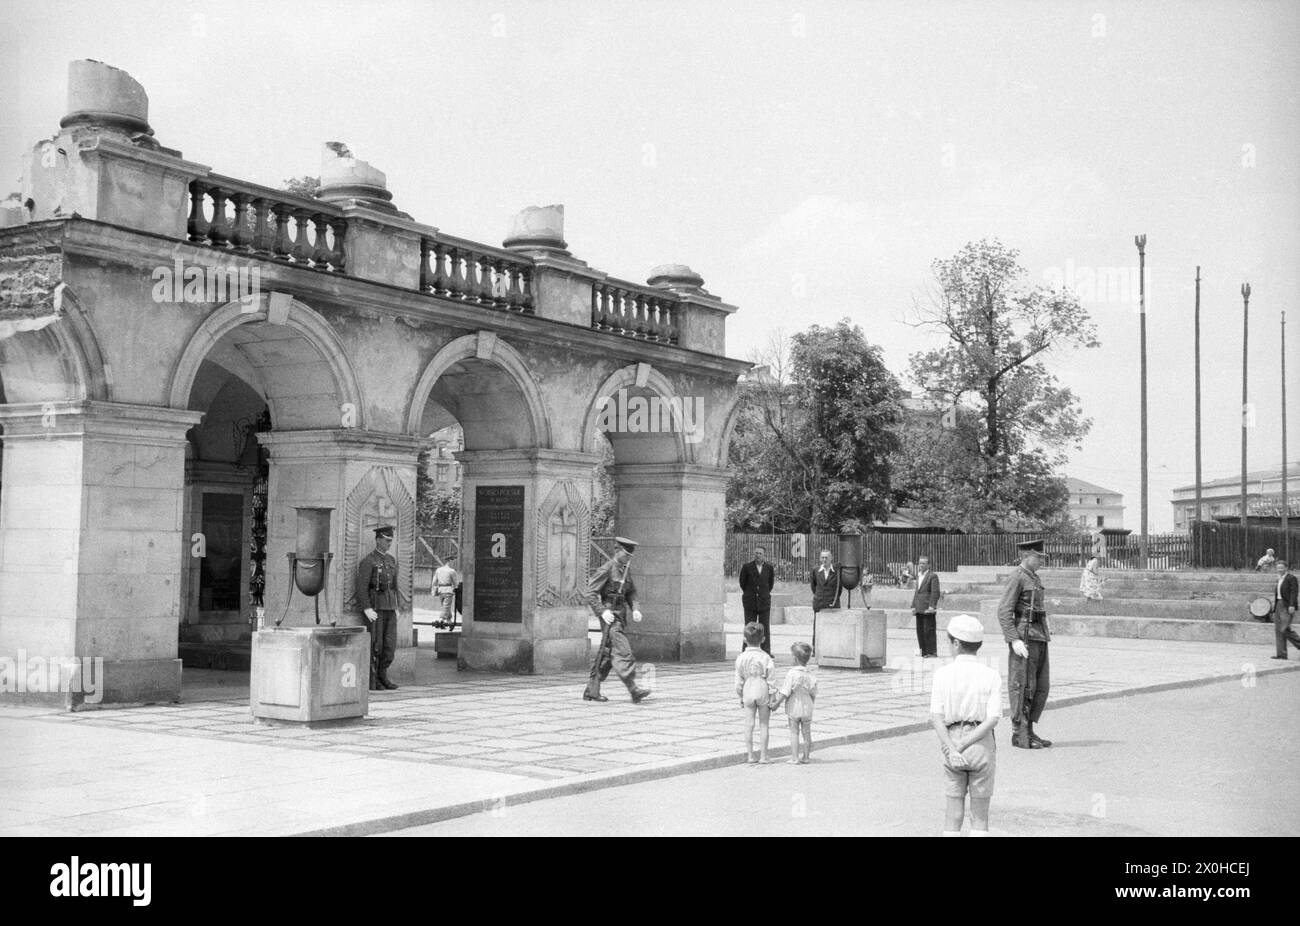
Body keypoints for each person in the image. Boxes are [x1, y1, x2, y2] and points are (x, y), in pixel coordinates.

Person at [929, 614, 1002, 837]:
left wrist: (953, 747)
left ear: (956, 643)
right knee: (979, 816)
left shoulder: (942, 674)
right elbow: (993, 718)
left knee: (953, 813)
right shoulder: (991, 675)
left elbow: (936, 716)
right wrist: (965, 743)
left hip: (950, 740)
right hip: (980, 743)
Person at [996, 539, 1051, 749]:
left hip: (1039, 636)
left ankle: (1030, 731)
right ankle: (1019, 733)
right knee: (1023, 686)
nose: (1041, 561)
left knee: (1040, 686)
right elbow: (1003, 610)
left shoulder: (1034, 578)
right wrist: (1013, 639)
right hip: (1025, 638)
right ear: (1026, 556)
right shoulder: (1017, 577)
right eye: (1038, 557)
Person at [583, 536, 651, 703]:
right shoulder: (607, 569)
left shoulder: (625, 570)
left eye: (630, 556)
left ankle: (592, 690)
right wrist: (601, 611)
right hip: (610, 618)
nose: (628, 558)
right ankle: (633, 689)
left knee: (607, 655)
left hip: (620, 616)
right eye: (626, 554)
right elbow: (589, 593)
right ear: (617, 551)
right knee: (623, 651)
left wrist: (635, 608)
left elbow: (631, 592)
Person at [356, 525, 399, 691]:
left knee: (390, 644)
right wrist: (366, 608)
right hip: (375, 608)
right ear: (378, 539)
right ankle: (373, 680)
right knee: (376, 645)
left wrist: (397, 605)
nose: (389, 544)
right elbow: (361, 587)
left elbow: (394, 586)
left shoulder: (391, 561)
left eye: (390, 541)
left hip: (389, 607)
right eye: (386, 540)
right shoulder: (369, 561)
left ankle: (383, 675)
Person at [734, 622, 775, 764]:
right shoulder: (766, 657)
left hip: (747, 688)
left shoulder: (740, 658)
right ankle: (764, 756)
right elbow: (771, 679)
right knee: (764, 724)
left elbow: (738, 681)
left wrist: (740, 695)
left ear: (745, 640)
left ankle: (750, 755)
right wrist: (773, 695)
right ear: (763, 639)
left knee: (749, 724)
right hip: (762, 687)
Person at [771, 641, 817, 764]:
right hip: (807, 707)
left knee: (794, 732)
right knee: (807, 733)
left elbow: (785, 692)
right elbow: (813, 693)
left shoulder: (791, 674)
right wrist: (811, 705)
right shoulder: (811, 675)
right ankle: (806, 757)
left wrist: (776, 704)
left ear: (794, 658)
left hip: (794, 708)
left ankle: (795, 758)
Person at [738, 547, 775, 654]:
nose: (758, 555)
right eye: (756, 553)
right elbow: (742, 583)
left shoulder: (769, 568)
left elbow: (770, 584)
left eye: (760, 553)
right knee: (749, 627)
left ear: (764, 555)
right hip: (750, 602)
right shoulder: (747, 567)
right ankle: (746, 650)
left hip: (764, 602)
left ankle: (766, 651)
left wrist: (763, 594)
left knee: (765, 628)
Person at [810, 549, 841, 651]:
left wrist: (833, 599)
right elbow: (813, 587)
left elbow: (839, 588)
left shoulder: (836, 571)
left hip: (832, 604)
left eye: (826, 557)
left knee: (832, 628)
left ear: (831, 558)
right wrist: (819, 596)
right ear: (820, 559)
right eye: (822, 557)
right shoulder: (816, 570)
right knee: (817, 627)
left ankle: (832, 648)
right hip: (819, 603)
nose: (824, 560)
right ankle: (816, 649)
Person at [911, 555, 941, 657]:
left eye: (923, 563)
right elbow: (917, 592)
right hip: (919, 607)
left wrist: (932, 606)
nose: (921, 565)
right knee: (920, 631)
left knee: (928, 630)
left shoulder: (933, 576)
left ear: (929, 565)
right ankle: (923, 651)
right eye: (920, 563)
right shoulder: (919, 576)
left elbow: (935, 592)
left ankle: (932, 652)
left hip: (928, 608)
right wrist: (913, 605)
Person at [1270, 559, 1300, 660]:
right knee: (1278, 630)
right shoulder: (1279, 579)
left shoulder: (1291, 578)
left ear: (1286, 568)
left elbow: (1294, 592)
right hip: (1278, 604)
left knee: (1284, 629)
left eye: (1281, 567)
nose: (1279, 569)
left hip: (1286, 605)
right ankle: (1281, 654)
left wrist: (1292, 605)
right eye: (1278, 567)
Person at [432, 556, 459, 628]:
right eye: (454, 561)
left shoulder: (439, 570)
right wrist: (457, 589)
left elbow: (434, 581)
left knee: (445, 606)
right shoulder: (452, 571)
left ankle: (449, 621)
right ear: (450, 561)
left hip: (441, 590)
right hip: (448, 591)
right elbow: (455, 583)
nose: (455, 563)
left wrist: (434, 590)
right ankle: (441, 620)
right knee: (446, 606)